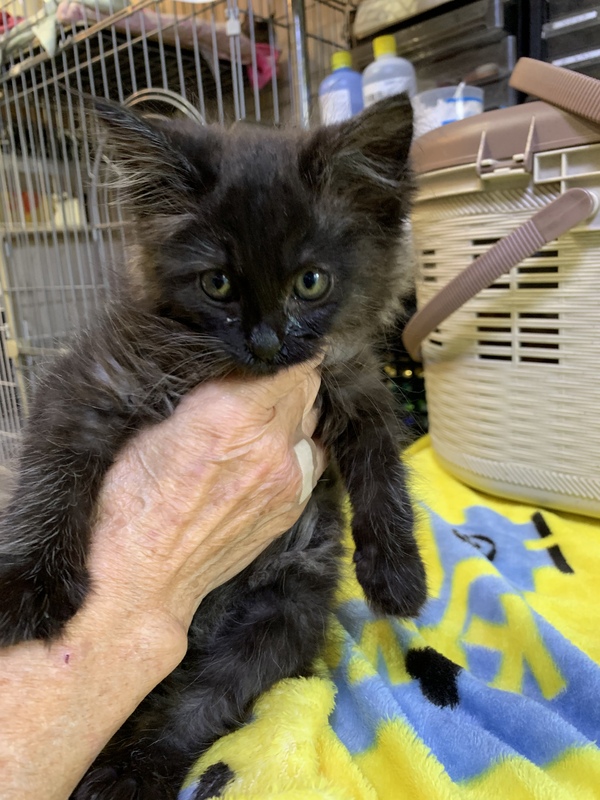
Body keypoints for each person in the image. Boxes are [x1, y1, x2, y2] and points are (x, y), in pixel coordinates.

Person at [0, 361, 325, 800]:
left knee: (290, 611)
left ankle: (167, 743)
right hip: (109, 593)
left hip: (266, 585)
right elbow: (74, 392)